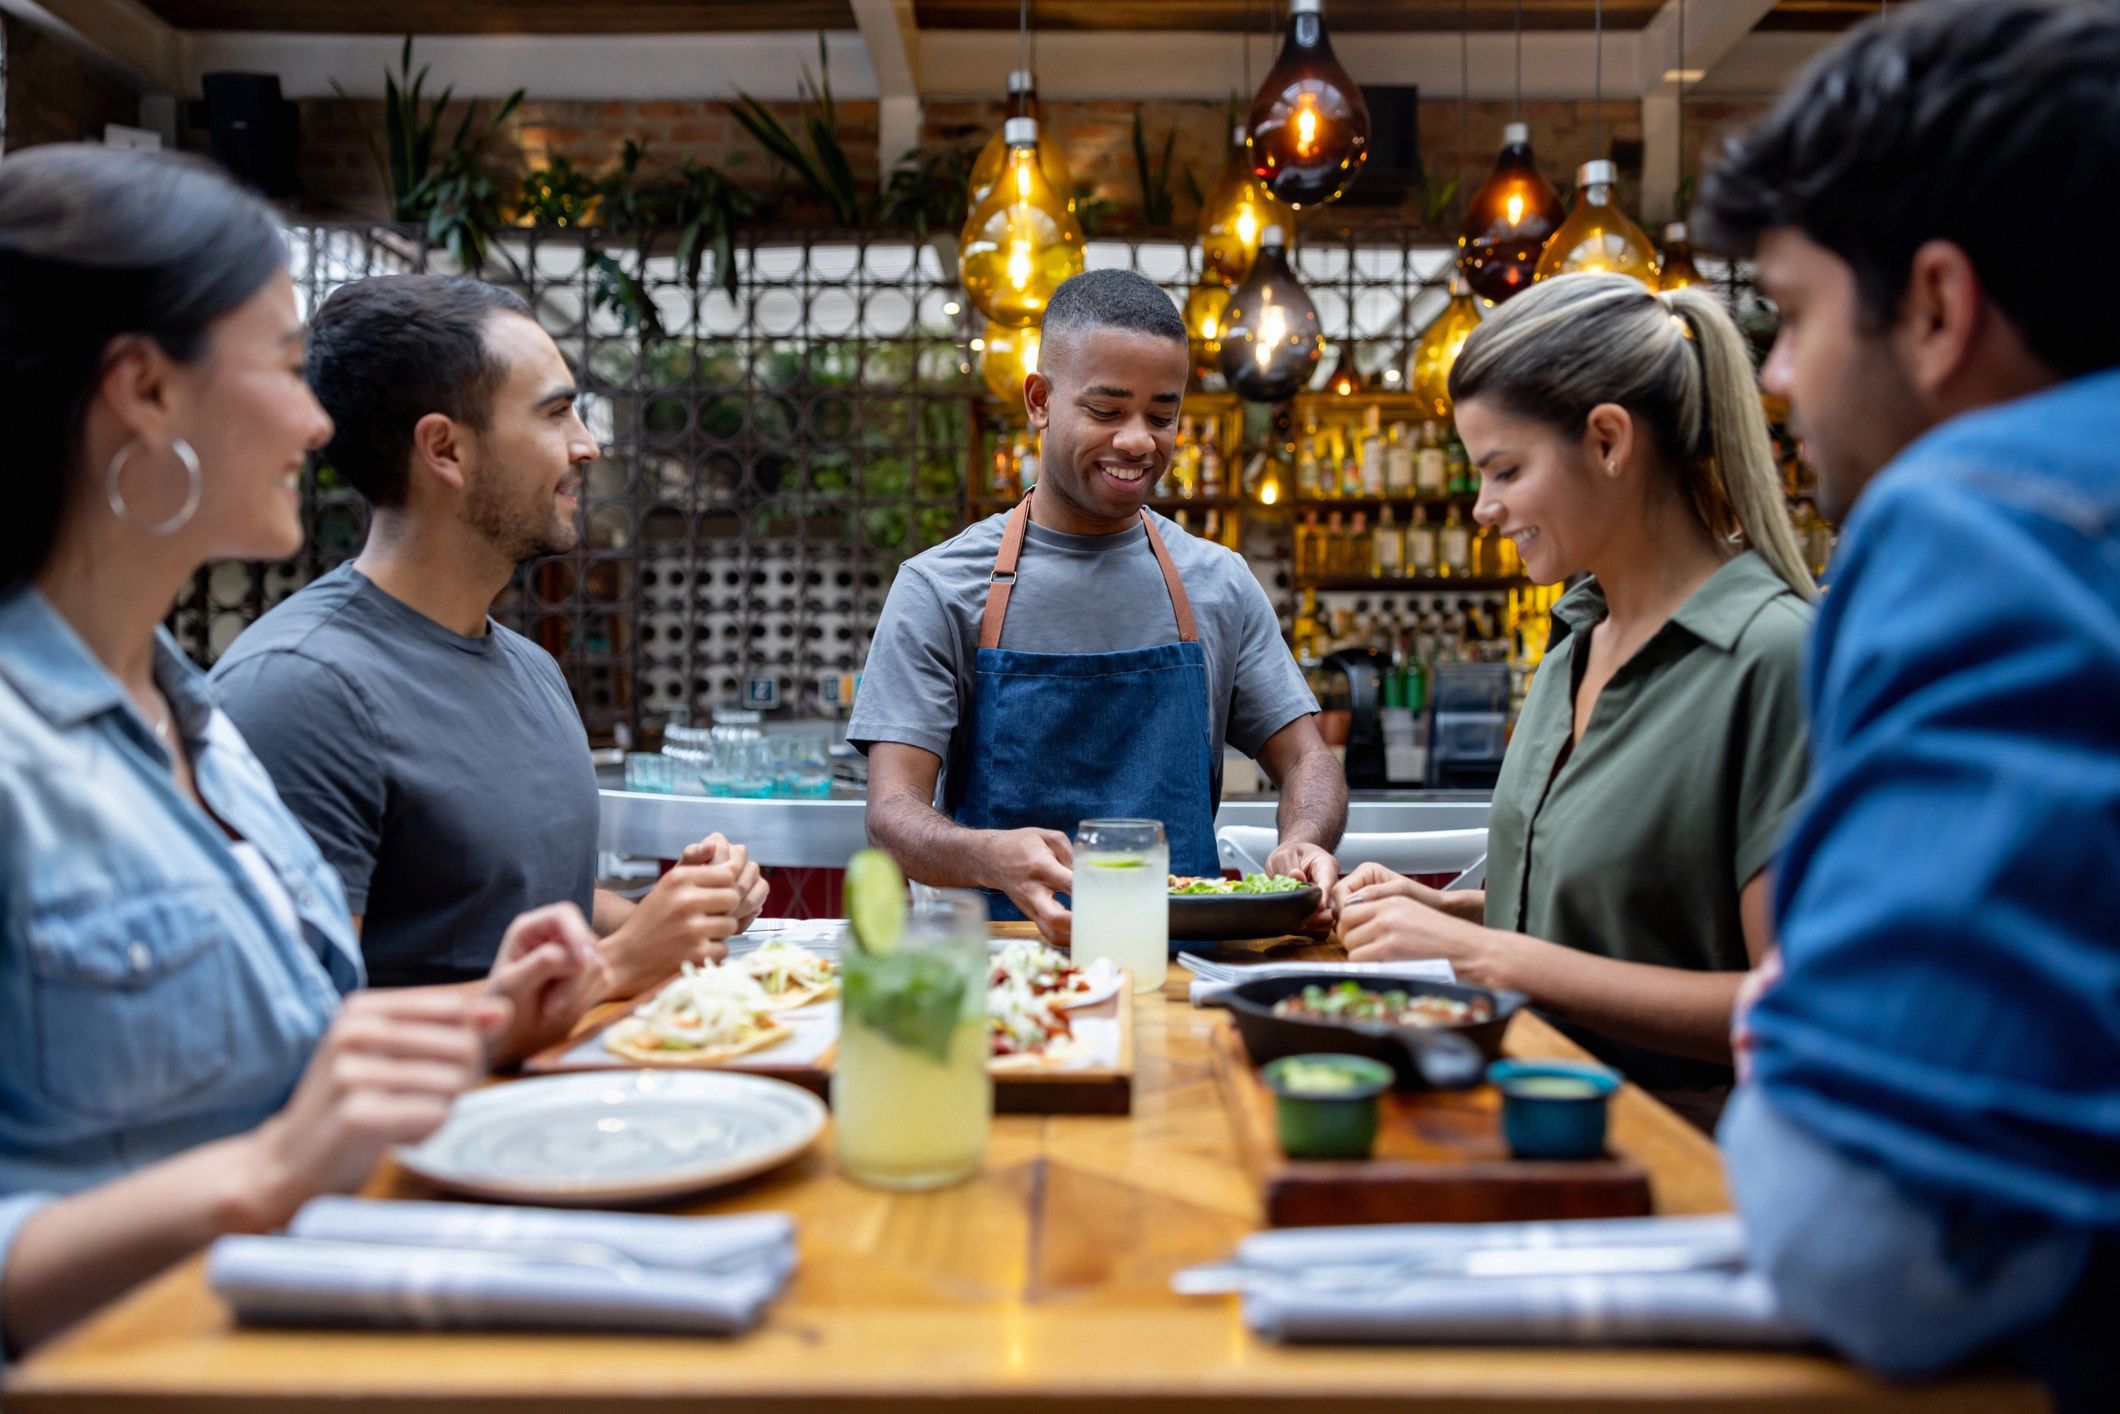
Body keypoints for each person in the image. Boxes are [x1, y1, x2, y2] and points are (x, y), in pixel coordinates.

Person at [0, 146, 604, 1363]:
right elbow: (264, 1150)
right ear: (144, 390)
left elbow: (295, 1068)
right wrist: (263, 1174)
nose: (319, 422)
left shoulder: (193, 730)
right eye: (281, 365)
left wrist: (486, 1019)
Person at [1692, 0, 2120, 1400]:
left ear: (1935, 305)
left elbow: (1865, 1233)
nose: (1774, 377)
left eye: (1793, 313)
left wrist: (1783, 1036)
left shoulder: (1985, 515)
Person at [1331, 272, 1816, 1129]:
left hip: (1675, 1154)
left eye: (1505, 470)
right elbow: (1617, 921)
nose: (1484, 510)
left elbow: (1794, 1012)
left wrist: (1482, 953)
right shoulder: (1572, 650)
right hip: (1521, 1119)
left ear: (1608, 441)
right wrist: (1443, 912)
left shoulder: (1773, 659)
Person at [212, 274, 765, 997]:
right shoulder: (298, 690)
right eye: (556, 414)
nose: (587, 445)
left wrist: (676, 913)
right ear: (445, 449)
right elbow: (290, 1022)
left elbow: (524, 908)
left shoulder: (532, 669)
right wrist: (616, 967)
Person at [849, 268, 1345, 939]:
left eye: (1161, 416)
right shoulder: (940, 588)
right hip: (1011, 966)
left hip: (1184, 964)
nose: (1138, 440)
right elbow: (891, 813)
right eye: (1106, 411)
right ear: (1040, 401)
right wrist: (985, 855)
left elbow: (1309, 759)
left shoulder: (1218, 583)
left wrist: (1303, 839)